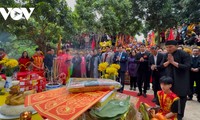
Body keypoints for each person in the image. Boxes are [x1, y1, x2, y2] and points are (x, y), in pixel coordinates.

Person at [163, 40, 191, 120]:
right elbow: (162, 65)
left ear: (176, 46)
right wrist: (168, 62)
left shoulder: (184, 54)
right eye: (167, 47)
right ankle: (170, 114)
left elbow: (187, 66)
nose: (169, 49)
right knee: (170, 98)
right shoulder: (166, 55)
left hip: (181, 81)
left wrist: (173, 62)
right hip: (169, 80)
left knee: (180, 99)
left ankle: (179, 116)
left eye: (170, 47)